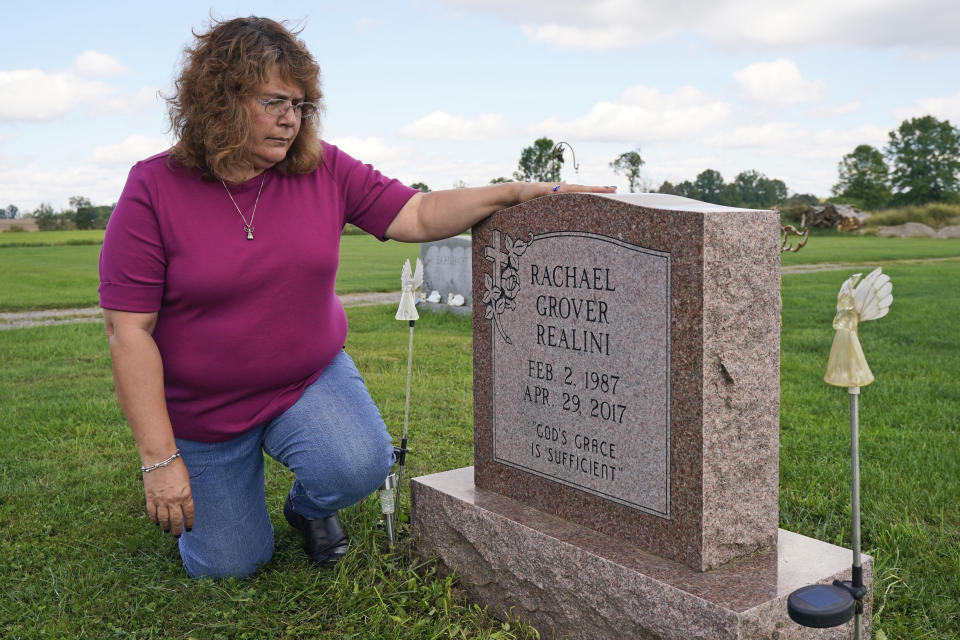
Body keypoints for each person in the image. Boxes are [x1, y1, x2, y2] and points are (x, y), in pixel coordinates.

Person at [99, 15, 614, 580]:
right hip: (204, 411)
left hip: (304, 382)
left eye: (300, 105)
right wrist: (160, 458)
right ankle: (220, 496)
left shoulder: (323, 169)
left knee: (359, 465)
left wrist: (517, 191)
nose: (290, 119)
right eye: (273, 101)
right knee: (230, 567)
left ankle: (307, 510)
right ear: (221, 99)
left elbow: (417, 212)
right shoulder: (153, 188)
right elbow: (130, 332)